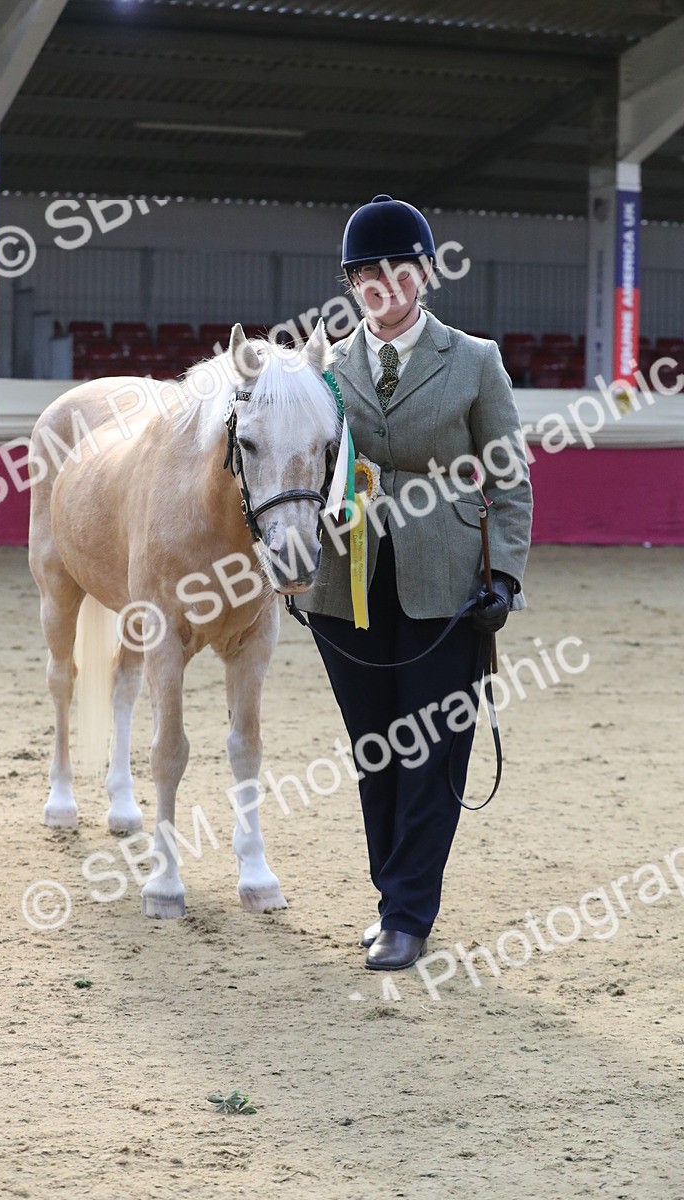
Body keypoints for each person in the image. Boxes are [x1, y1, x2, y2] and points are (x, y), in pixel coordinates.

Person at [297, 194, 533, 971]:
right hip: (347, 583)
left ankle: (408, 913)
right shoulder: (324, 364)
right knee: (375, 748)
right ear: (351, 282)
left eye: (398, 268)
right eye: (366, 271)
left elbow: (511, 478)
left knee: (429, 749)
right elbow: (295, 465)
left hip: (448, 583)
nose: (382, 281)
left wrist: (503, 578)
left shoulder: (474, 359)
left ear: (424, 274)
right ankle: (390, 894)